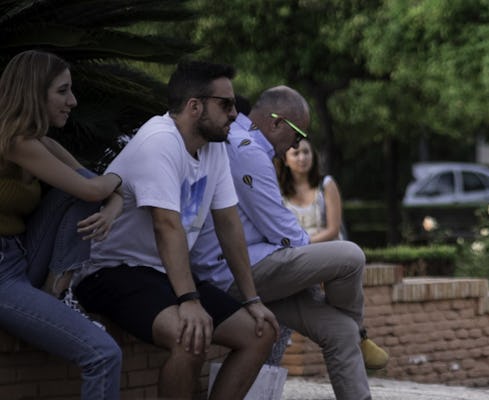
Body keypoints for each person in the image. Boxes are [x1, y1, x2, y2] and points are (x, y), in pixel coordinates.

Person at [72, 61, 279, 399]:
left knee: (260, 332)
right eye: (225, 105)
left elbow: (229, 224)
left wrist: (252, 299)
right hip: (110, 272)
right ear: (194, 106)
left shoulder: (214, 147)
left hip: (161, 273)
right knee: (190, 336)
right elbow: (165, 225)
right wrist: (189, 300)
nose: (233, 114)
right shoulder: (160, 141)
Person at [190, 85, 371, 400]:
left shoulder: (247, 147)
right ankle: (361, 331)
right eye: (298, 134)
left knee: (340, 332)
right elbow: (284, 231)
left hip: (262, 271)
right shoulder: (246, 149)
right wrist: (314, 272)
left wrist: (310, 273)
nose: (298, 144)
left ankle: (354, 333)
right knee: (350, 256)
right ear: (276, 123)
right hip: (233, 274)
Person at [0, 50, 123, 400]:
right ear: (34, 92)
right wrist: (115, 181)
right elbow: (95, 187)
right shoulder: (14, 142)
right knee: (103, 353)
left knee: (80, 191)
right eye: (63, 91)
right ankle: (58, 294)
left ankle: (57, 290)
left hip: (20, 255)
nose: (73, 101)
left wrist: (112, 205)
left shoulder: (43, 144)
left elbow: (99, 188)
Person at [276, 137, 389, 370]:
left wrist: (302, 244)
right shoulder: (277, 189)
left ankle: (358, 335)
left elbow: (333, 229)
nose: (302, 158)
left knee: (337, 296)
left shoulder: (326, 184)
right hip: (294, 254)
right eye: (296, 153)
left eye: (306, 152)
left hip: (323, 248)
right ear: (285, 160)